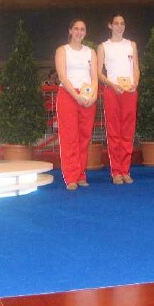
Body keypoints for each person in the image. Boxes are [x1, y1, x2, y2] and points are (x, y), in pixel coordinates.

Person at [55, 19, 98, 191]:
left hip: (87, 97)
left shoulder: (91, 52)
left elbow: (94, 77)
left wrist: (94, 95)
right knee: (69, 137)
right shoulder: (62, 50)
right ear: (70, 31)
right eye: (76, 29)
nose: (79, 32)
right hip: (68, 95)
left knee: (84, 137)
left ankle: (81, 174)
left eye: (83, 29)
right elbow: (62, 76)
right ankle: (70, 176)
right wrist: (76, 95)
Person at [97, 14, 140, 185]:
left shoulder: (131, 45)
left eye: (122, 23)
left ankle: (125, 170)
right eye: (116, 23)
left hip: (129, 91)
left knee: (128, 131)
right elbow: (99, 73)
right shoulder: (103, 46)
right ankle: (116, 171)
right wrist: (112, 84)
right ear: (110, 25)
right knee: (114, 131)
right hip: (112, 91)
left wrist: (135, 83)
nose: (120, 26)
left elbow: (136, 68)